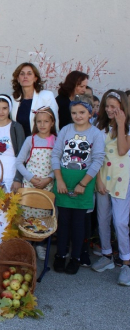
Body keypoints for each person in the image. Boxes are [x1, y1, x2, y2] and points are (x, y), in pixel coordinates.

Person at [51, 95, 104, 275]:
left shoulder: (96, 134)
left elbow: (97, 160)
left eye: (82, 112)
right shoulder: (66, 130)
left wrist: (83, 183)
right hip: (63, 181)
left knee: (78, 222)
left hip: (84, 182)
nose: (78, 116)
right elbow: (56, 154)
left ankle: (75, 257)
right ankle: (60, 255)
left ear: (90, 113)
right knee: (63, 221)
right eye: (74, 112)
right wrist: (59, 179)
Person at [91, 90, 130, 286]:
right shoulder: (100, 127)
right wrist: (98, 180)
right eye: (107, 106)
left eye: (114, 106)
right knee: (102, 218)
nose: (109, 109)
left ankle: (126, 263)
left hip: (122, 179)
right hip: (103, 178)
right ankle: (106, 254)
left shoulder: (127, 127)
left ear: (122, 107)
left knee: (121, 221)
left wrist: (122, 124)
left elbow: (122, 150)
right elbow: (97, 155)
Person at [15, 107, 57, 260]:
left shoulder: (56, 141)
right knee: (27, 216)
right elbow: (19, 162)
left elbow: (58, 164)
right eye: (39, 121)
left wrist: (49, 178)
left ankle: (40, 244)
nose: (42, 125)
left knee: (43, 217)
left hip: (47, 186)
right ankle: (26, 245)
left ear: (52, 122)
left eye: (46, 121)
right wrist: (31, 178)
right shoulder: (30, 140)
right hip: (30, 185)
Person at [11, 62, 59, 136]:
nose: (25, 76)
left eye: (29, 74)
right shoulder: (13, 99)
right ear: (18, 79)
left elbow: (55, 122)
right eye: (22, 74)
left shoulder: (47, 96)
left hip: (41, 143)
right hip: (20, 144)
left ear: (35, 78)